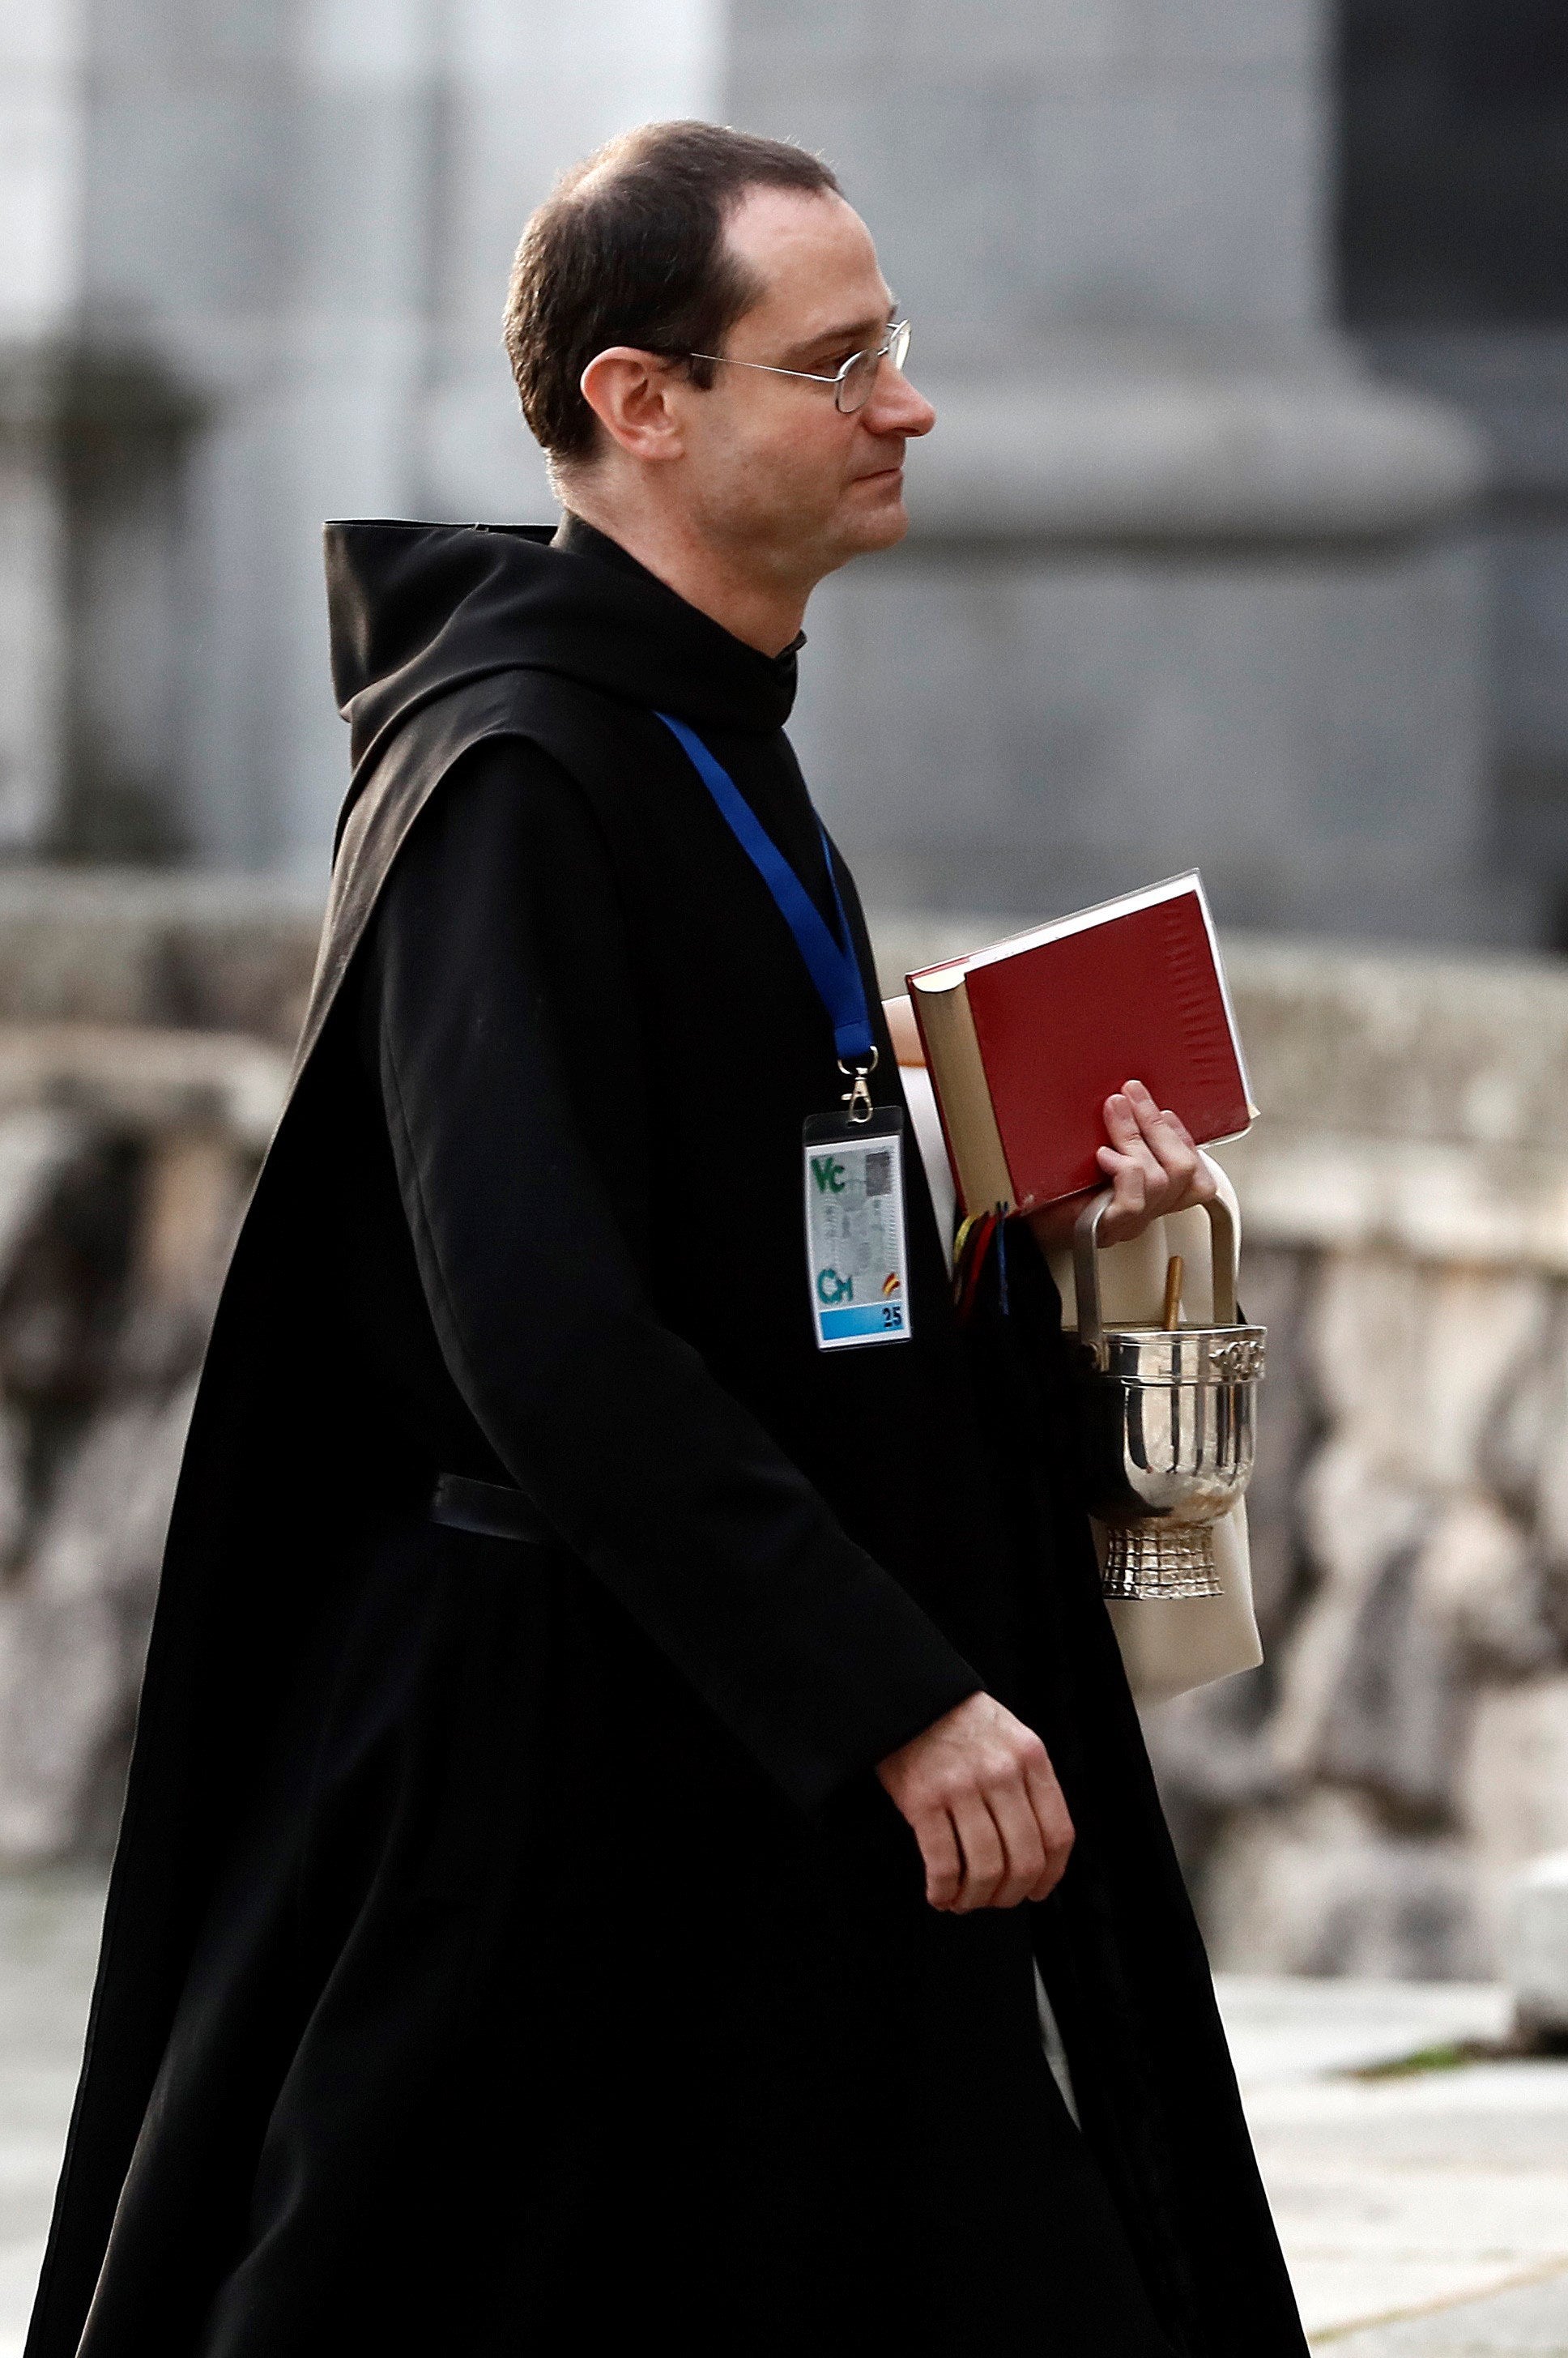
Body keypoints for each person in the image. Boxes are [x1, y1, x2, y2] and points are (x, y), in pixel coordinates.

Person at [27, 122, 1307, 2356]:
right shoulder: (518, 774)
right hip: (560, 1796)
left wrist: (1008, 1232)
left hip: (745, 1770)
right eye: (838, 363)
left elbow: (759, 1237)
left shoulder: (705, 732)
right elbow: (540, 1330)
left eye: (891, 346)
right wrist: (897, 1694)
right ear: (643, 404)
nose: (903, 403)